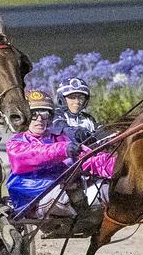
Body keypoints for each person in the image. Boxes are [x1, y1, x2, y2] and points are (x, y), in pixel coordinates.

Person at [5, 90, 84, 218]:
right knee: (62, 197)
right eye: (33, 114)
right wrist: (62, 150)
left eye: (44, 114)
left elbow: (87, 158)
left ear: (50, 117)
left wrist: (114, 165)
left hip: (62, 189)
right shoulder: (16, 142)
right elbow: (30, 156)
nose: (40, 119)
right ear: (24, 117)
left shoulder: (60, 139)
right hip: (31, 199)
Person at [51, 77, 99, 143]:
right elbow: (61, 128)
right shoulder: (56, 116)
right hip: (66, 152)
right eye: (72, 97)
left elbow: (100, 129)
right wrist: (76, 133)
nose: (77, 101)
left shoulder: (88, 118)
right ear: (62, 99)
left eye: (81, 98)